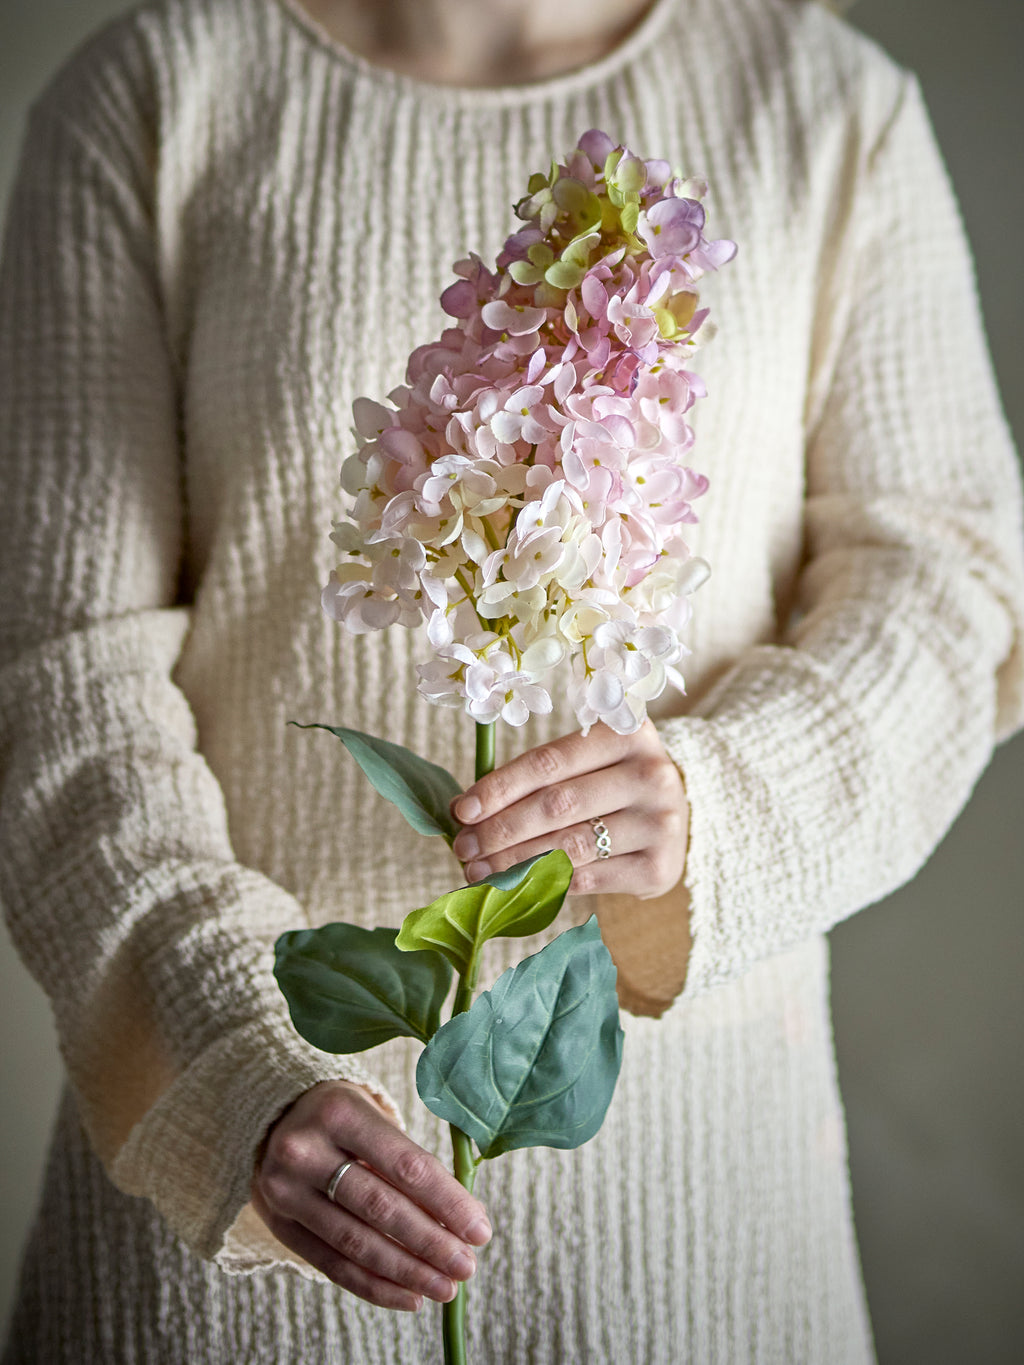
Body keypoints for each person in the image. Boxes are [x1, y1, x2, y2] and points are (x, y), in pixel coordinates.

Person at [1, 0, 1022, 1360]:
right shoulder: (155, 91)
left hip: (700, 1256)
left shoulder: (830, 107)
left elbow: (951, 590)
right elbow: (57, 662)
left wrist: (718, 805)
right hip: (228, 1266)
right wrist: (228, 1061)